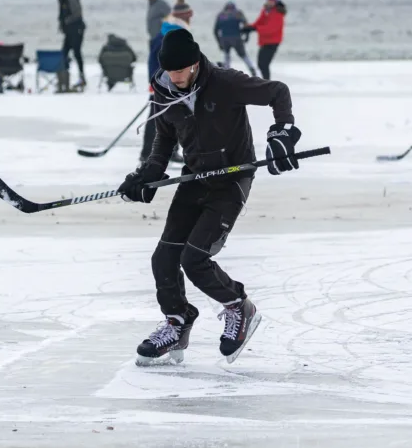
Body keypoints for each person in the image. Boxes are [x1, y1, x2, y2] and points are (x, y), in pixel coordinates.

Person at [117, 28, 301, 366]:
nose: (177, 77)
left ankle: (238, 306)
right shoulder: (164, 92)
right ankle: (177, 320)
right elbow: (164, 138)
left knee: (194, 259)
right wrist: (149, 172)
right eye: (171, 72)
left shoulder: (225, 82)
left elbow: (278, 92)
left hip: (231, 179)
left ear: (196, 64)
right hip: (195, 178)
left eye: (182, 70)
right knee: (164, 259)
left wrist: (281, 133)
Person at [140, 0, 193, 161]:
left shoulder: (170, 31)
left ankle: (163, 152)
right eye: (189, 16)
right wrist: (157, 83)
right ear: (184, 16)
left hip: (169, 81)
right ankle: (148, 153)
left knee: (172, 117)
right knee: (163, 118)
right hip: (166, 82)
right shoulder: (173, 33)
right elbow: (159, 60)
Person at [245, 0, 287, 79]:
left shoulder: (278, 13)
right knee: (260, 64)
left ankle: (267, 84)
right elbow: (259, 22)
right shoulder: (266, 11)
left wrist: (256, 29)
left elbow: (271, 28)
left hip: (273, 42)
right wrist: (248, 27)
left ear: (276, 2)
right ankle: (266, 83)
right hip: (264, 41)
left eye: (272, 0)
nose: (269, 1)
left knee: (264, 65)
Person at [214, 1, 257, 76]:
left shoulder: (221, 15)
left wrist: (219, 43)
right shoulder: (238, 13)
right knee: (243, 55)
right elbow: (246, 25)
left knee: (227, 55)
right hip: (236, 38)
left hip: (224, 39)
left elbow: (215, 30)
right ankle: (252, 69)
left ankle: (226, 72)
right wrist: (247, 37)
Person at [57, 0, 86, 88]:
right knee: (64, 53)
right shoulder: (64, 0)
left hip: (76, 30)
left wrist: (66, 21)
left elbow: (77, 14)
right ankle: (63, 78)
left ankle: (82, 77)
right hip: (69, 32)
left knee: (77, 53)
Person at [145, 0, 171, 80]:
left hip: (161, 38)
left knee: (158, 63)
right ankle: (154, 83)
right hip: (153, 37)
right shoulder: (152, 5)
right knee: (153, 63)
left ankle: (161, 82)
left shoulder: (161, 4)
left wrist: (164, 32)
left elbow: (170, 17)